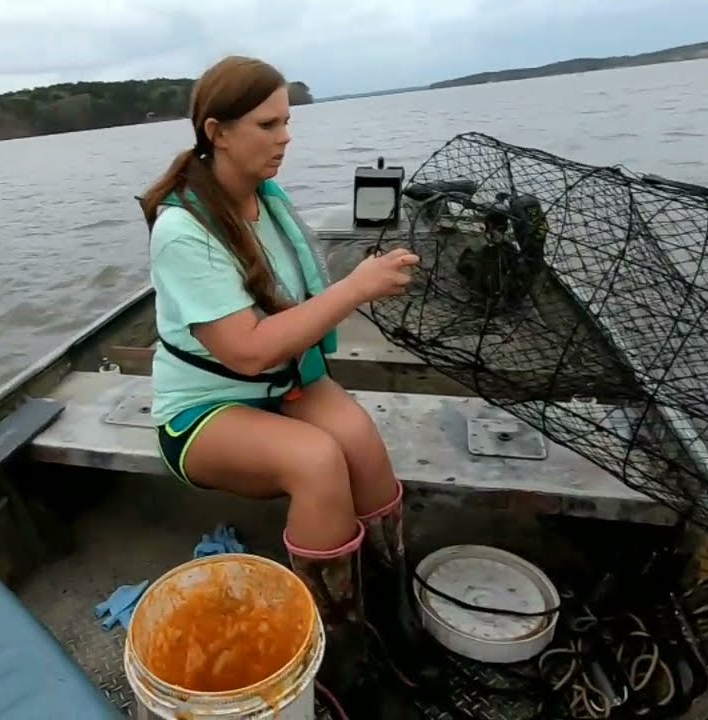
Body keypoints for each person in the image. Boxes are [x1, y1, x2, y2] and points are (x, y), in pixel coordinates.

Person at [138, 55, 434, 716]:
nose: (286, 137)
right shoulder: (184, 231)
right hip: (206, 409)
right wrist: (357, 287)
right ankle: (341, 657)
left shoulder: (268, 201)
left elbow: (290, 315)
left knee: (362, 443)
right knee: (318, 462)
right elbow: (244, 353)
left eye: (288, 120)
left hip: (286, 380)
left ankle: (390, 608)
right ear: (217, 130)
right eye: (268, 123)